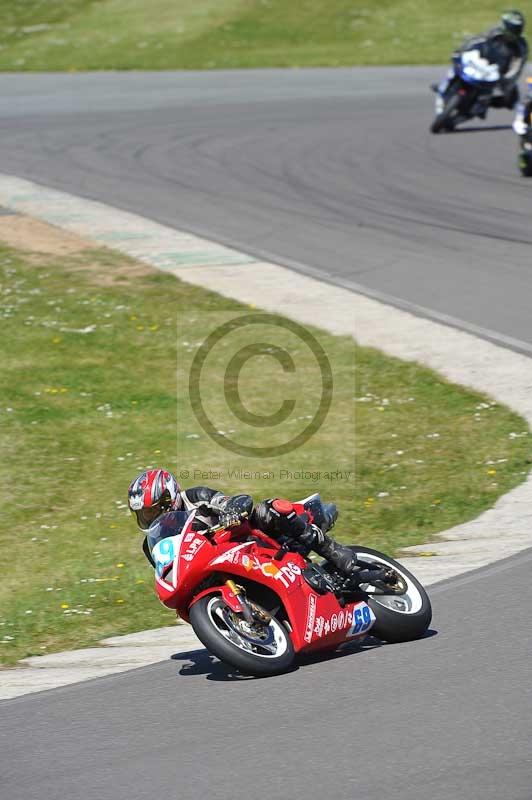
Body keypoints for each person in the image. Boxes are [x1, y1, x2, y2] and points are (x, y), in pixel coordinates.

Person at [127, 469, 358, 576]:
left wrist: (232, 511)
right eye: (144, 514)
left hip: (244, 541)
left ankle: (331, 549)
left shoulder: (195, 497)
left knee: (267, 510)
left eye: (153, 510)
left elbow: (232, 501)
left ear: (170, 498)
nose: (150, 517)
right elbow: (167, 575)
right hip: (212, 566)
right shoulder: (153, 544)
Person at [434, 10, 528, 110]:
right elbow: (476, 40)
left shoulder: (521, 46)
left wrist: (506, 79)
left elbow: (518, 66)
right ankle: (445, 86)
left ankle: (485, 103)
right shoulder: (495, 31)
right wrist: (461, 50)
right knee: (457, 65)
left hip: (498, 72)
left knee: (511, 99)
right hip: (480, 60)